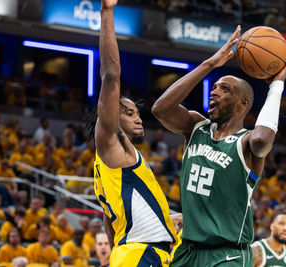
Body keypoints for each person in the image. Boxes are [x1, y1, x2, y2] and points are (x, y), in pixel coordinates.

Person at [152, 24, 286, 266]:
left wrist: (276, 85)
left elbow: (262, 139)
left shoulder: (246, 142)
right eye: (214, 87)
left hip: (228, 254)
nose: (214, 92)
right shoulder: (196, 126)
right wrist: (209, 64)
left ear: (242, 103)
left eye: (224, 89)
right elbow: (160, 109)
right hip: (188, 248)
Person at [84, 0, 179, 266]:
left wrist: (165, 221)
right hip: (140, 254)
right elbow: (111, 75)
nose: (138, 119)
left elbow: (109, 218)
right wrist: (107, 11)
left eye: (137, 114)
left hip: (138, 253)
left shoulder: (111, 163)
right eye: (128, 113)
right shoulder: (110, 142)